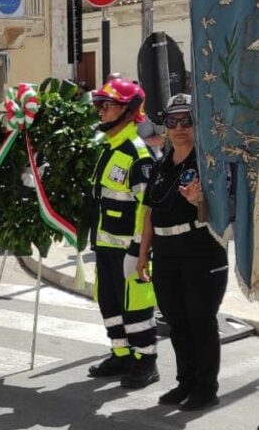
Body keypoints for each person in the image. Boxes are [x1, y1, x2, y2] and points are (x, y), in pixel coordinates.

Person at [136, 94, 227, 411]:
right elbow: (149, 211)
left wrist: (198, 202)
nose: (178, 128)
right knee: (176, 321)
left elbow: (224, 214)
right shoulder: (161, 162)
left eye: (186, 120)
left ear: (197, 124)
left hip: (201, 251)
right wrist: (143, 253)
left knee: (201, 321)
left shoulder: (210, 164)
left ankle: (206, 387)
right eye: (172, 121)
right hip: (165, 252)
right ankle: (185, 382)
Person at [87, 78, 158, 389]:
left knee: (136, 307)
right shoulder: (107, 148)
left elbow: (146, 208)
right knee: (110, 304)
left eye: (108, 105)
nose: (101, 111)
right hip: (104, 245)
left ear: (129, 111)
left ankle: (146, 361)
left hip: (128, 251)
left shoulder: (137, 154)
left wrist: (138, 250)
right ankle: (121, 353)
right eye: (100, 105)